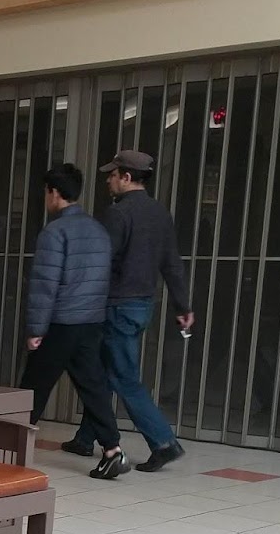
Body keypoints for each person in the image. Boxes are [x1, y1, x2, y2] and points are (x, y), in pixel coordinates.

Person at [67, 150, 195, 472]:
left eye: (112, 175)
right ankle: (86, 437)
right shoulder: (160, 213)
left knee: (123, 377)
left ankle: (163, 442)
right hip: (142, 305)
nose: (108, 180)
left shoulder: (118, 213)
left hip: (117, 305)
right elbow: (172, 263)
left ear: (126, 177)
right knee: (104, 371)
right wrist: (182, 305)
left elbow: (101, 260)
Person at [20, 165, 128, 481]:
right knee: (93, 385)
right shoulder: (97, 230)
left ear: (54, 192)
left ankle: (11, 452)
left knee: (33, 388)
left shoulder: (54, 232)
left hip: (61, 321)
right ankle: (112, 450)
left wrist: (36, 329)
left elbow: (45, 285)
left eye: (46, 192)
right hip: (90, 320)